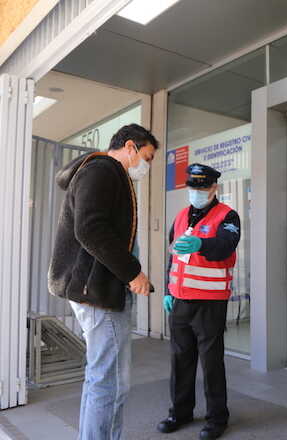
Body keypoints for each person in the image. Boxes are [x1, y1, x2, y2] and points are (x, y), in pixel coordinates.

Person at [48, 124, 158, 440]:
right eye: (147, 157)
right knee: (109, 380)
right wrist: (133, 273)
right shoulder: (102, 171)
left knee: (103, 378)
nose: (146, 166)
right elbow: (91, 229)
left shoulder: (107, 174)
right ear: (130, 147)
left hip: (98, 289)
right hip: (98, 292)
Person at [158, 164, 241, 439]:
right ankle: (179, 413)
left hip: (210, 302)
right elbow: (173, 254)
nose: (196, 192)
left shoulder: (228, 215)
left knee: (211, 362)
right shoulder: (182, 215)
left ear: (214, 188)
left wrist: (201, 245)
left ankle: (217, 418)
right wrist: (168, 290)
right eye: (193, 187)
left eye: (202, 187)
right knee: (180, 360)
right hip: (180, 301)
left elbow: (226, 245)